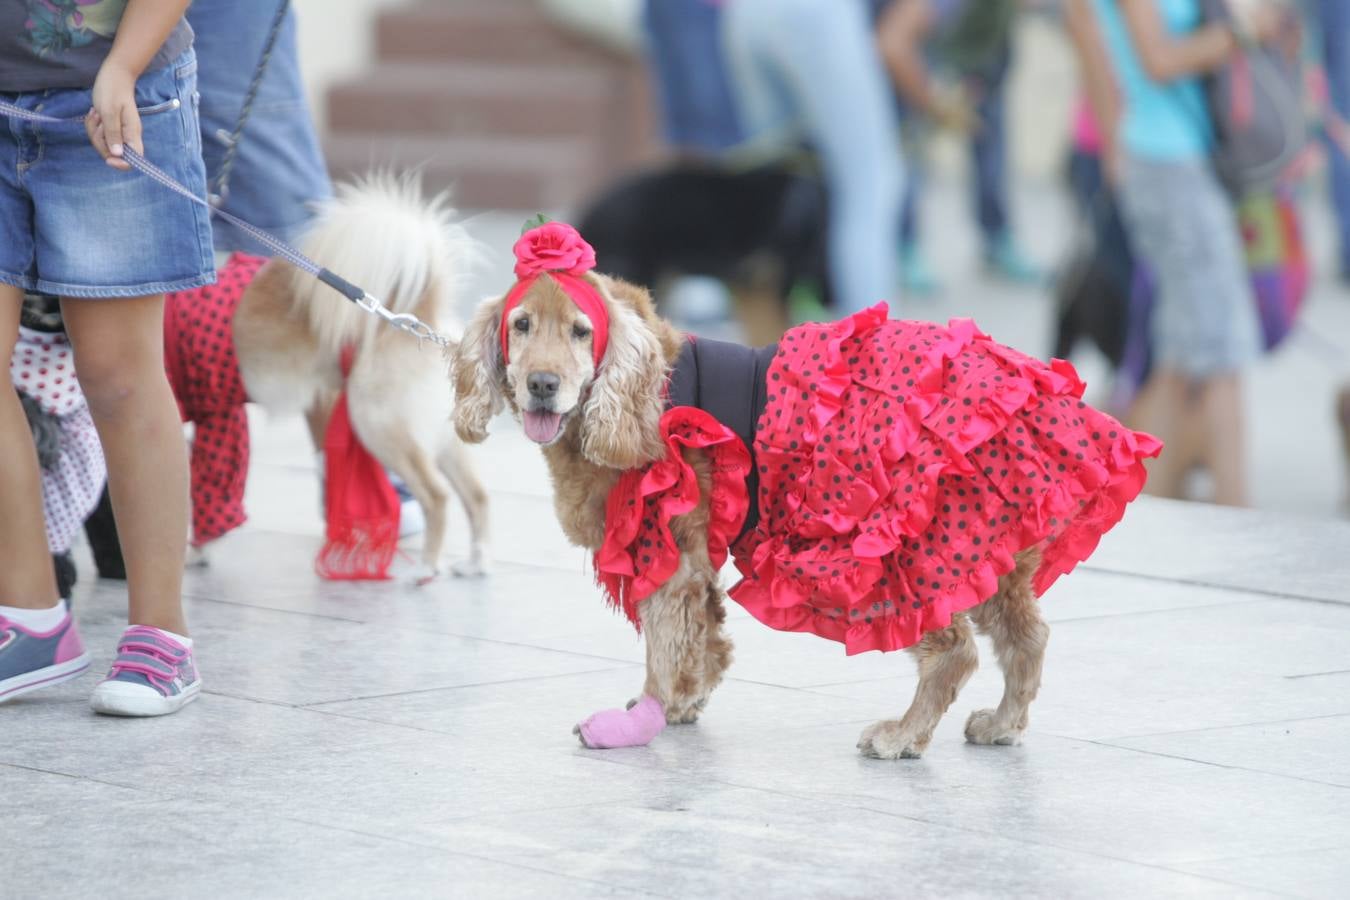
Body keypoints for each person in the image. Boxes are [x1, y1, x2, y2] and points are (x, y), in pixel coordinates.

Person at [0, 0, 208, 714]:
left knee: (118, 378)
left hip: (109, 95)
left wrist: (123, 65)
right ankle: (29, 616)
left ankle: (162, 635)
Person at [1070, 0, 1283, 505]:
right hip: (1167, 163)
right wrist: (1243, 32)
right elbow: (1158, 61)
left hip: (1177, 156)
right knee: (1220, 351)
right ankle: (1236, 515)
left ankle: (1150, 503)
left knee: (1182, 351)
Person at [721, 0, 905, 316]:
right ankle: (872, 348)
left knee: (775, 192)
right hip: (817, 14)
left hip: (745, 15)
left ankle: (775, 351)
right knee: (869, 186)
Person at [876, 0, 1043, 295]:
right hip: (934, 51)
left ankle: (997, 236)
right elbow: (895, 43)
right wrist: (934, 100)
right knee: (911, 151)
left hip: (987, 48)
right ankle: (904, 244)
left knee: (991, 145)